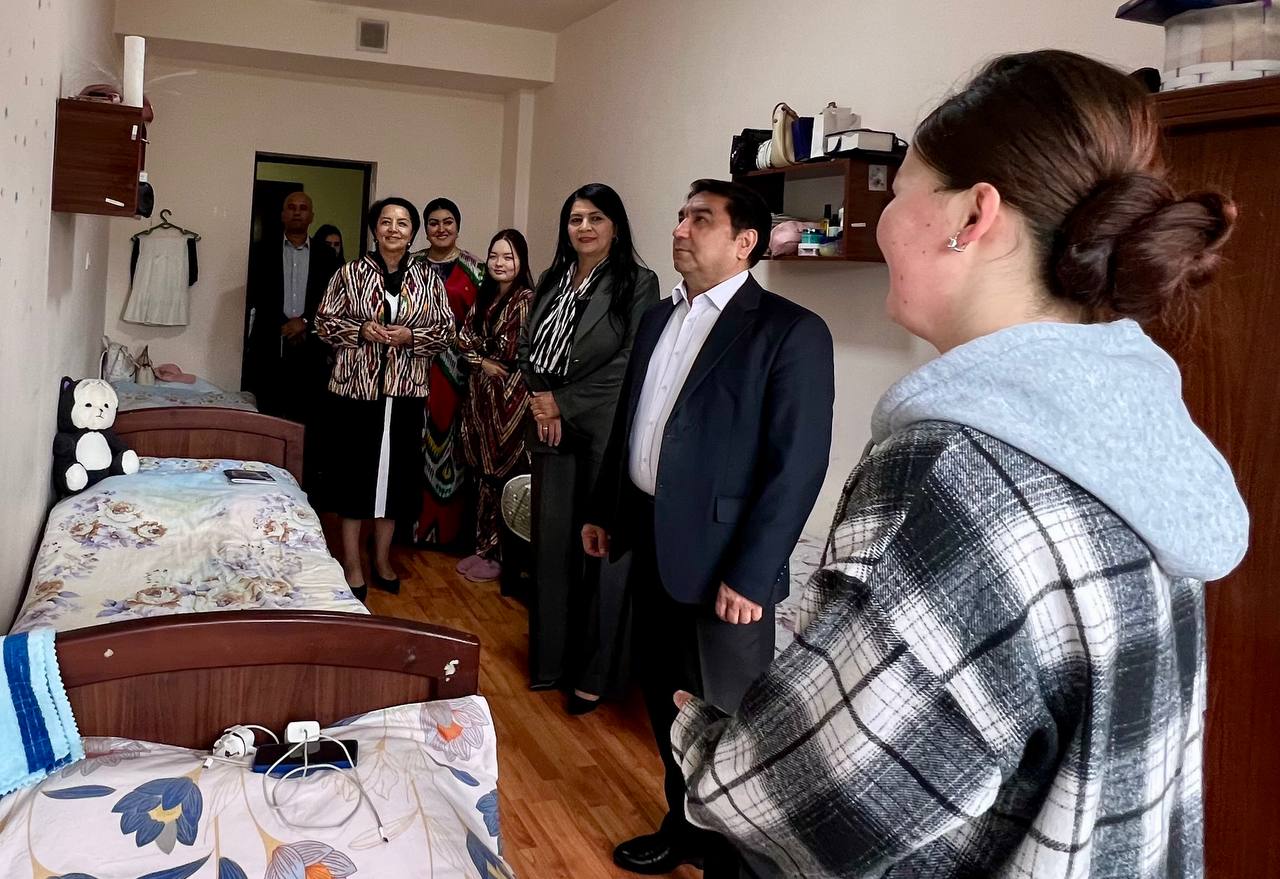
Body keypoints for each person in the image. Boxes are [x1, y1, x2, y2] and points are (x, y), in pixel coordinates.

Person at [669, 51, 1249, 879]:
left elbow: (809, 802)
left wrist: (702, 737)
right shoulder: (1141, 443)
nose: (884, 222)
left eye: (900, 190)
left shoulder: (950, 471)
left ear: (973, 215)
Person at [581, 178, 835, 877]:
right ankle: (684, 827)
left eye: (700, 219)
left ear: (745, 241)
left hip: (725, 562)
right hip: (651, 542)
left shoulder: (787, 331)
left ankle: (734, 862)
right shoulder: (658, 319)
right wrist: (606, 510)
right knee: (668, 707)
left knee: (730, 722)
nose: (680, 229)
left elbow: (797, 466)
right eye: (680, 216)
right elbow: (633, 424)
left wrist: (752, 573)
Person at [518, 183, 660, 694]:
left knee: (598, 551)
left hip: (602, 429)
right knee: (551, 548)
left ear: (615, 226)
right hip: (549, 428)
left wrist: (565, 402)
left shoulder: (638, 283)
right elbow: (526, 345)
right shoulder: (553, 278)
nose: (584, 227)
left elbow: (631, 361)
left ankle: (592, 674)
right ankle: (550, 663)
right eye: (575, 219)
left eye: (596, 218)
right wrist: (543, 400)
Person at [315, 197, 455, 602]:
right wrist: (360, 330)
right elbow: (323, 323)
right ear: (375, 229)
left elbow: (446, 331)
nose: (394, 229)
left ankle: (382, 559)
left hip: (406, 392)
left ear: (412, 234)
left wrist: (412, 336)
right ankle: (352, 563)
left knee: (396, 482)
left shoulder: (428, 278)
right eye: (386, 222)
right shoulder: (350, 273)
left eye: (403, 223)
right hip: (356, 392)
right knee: (354, 479)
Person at [455, 230, 537, 583]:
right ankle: (484, 548)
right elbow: (462, 339)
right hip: (482, 398)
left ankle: (503, 556)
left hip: (510, 399)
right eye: (494, 256)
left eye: (508, 257)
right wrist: (481, 360)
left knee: (505, 474)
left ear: (521, 261)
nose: (499, 263)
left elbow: (508, 349)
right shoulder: (486, 295)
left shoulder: (526, 300)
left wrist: (479, 354)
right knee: (483, 474)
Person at [414, 197, 484, 550]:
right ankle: (412, 527)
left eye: (448, 222)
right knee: (413, 442)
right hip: (413, 369)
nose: (441, 229)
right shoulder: (411, 266)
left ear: (457, 226)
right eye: (433, 223)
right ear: (425, 229)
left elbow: (486, 320)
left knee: (454, 445)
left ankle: (450, 533)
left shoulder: (476, 270)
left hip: (458, 375)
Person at [243, 191, 339, 432]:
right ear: (283, 214)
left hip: (312, 349)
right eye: (292, 207)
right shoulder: (260, 251)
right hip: (270, 348)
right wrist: (283, 325)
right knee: (268, 418)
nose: (297, 212)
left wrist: (305, 322)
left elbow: (333, 299)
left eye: (303, 208)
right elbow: (254, 295)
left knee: (307, 419)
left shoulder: (327, 255)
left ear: (312, 216)